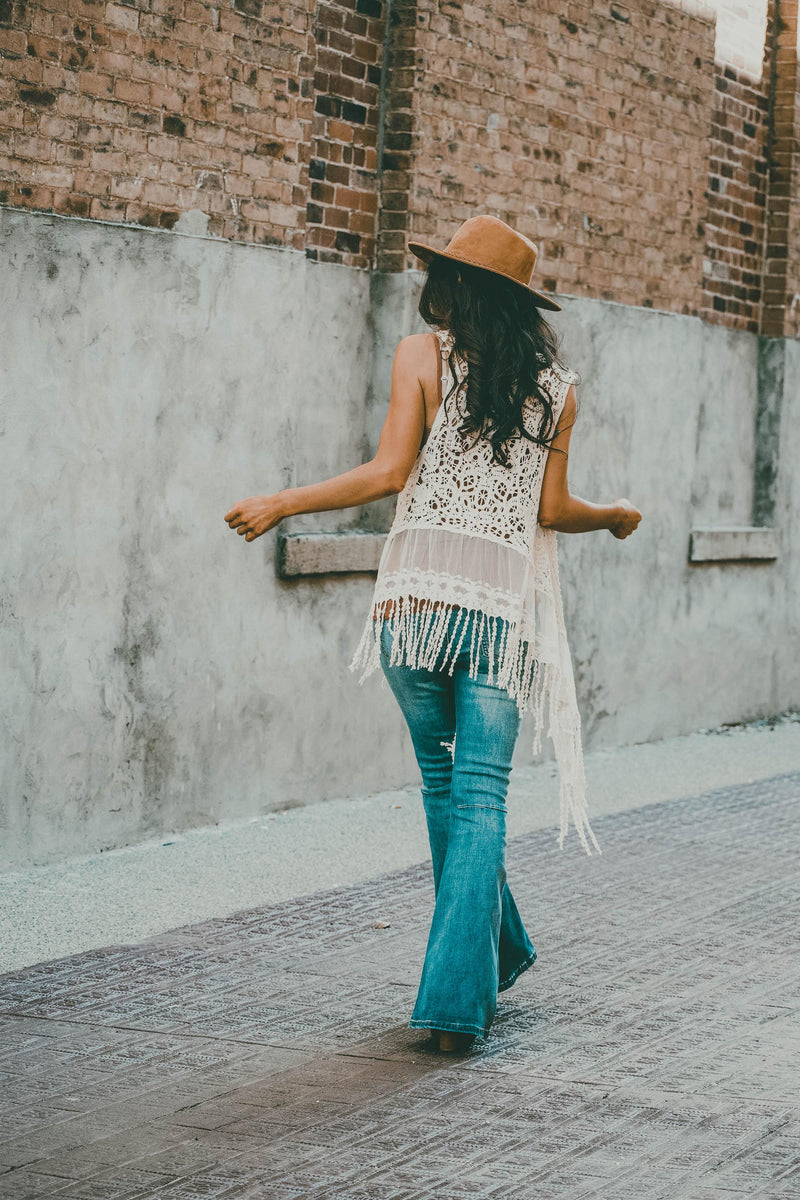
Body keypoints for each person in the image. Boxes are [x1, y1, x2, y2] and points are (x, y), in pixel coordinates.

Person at [224, 215, 642, 1054]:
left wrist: (281, 501)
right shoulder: (559, 389)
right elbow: (554, 512)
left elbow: (387, 473)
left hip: (411, 603)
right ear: (521, 305)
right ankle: (462, 998)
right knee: (480, 794)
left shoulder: (420, 357)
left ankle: (497, 955)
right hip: (497, 606)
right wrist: (616, 516)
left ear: (459, 287)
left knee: (444, 787)